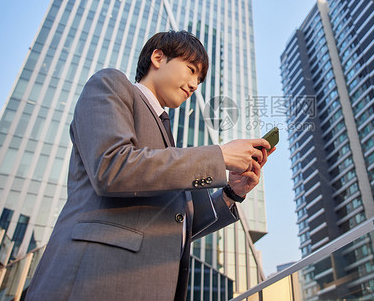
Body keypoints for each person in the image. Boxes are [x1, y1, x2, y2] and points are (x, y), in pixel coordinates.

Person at [25, 31, 273, 301]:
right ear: (158, 57)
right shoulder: (111, 84)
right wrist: (218, 156)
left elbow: (175, 221)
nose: (194, 85)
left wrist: (232, 193)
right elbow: (112, 167)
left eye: (199, 80)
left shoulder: (168, 139)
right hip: (93, 280)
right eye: (191, 70)